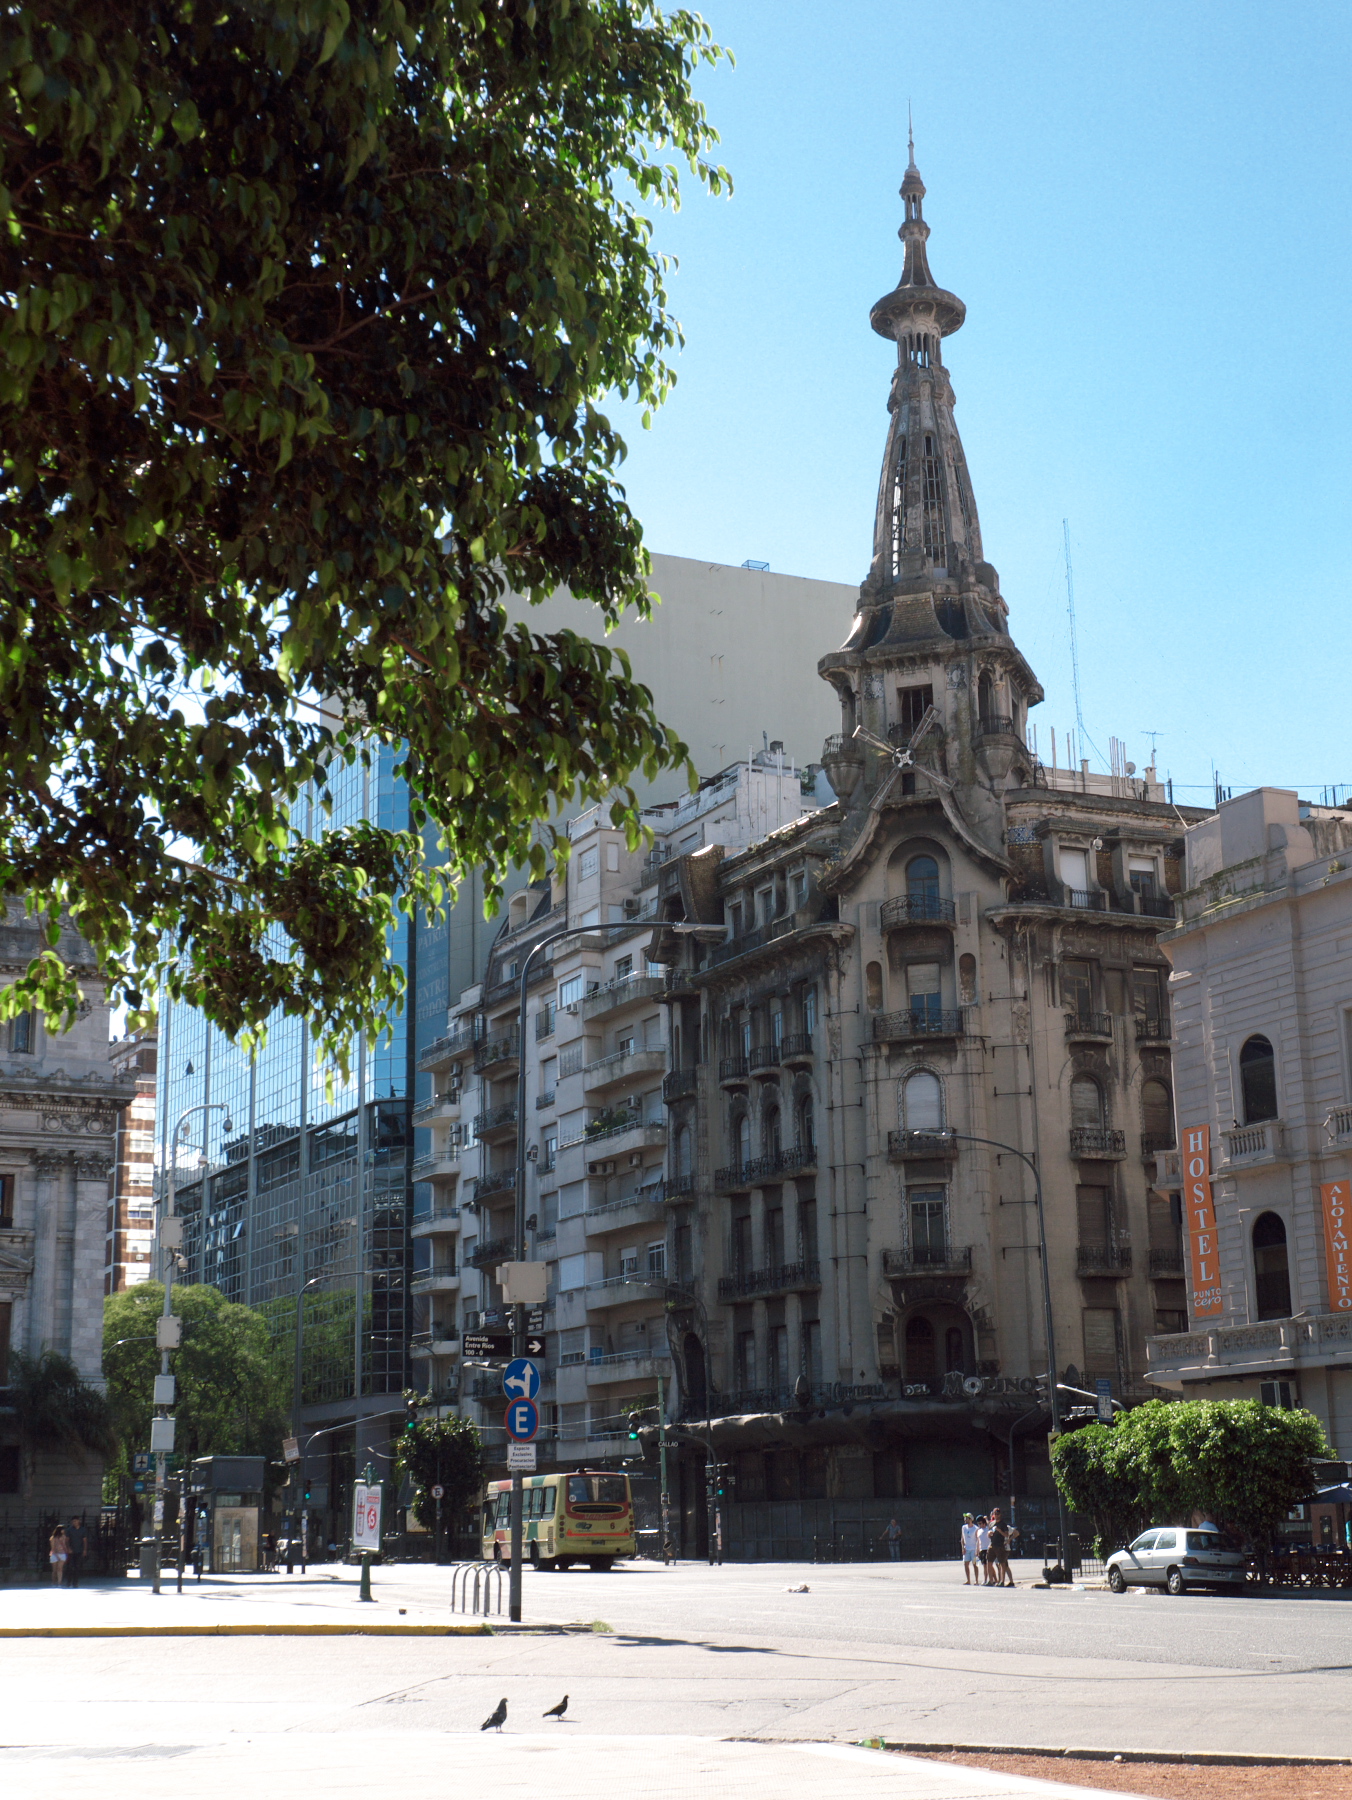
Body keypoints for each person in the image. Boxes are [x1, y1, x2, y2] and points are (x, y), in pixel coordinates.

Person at [988, 1509, 1014, 1587]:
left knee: (1002, 1563)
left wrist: (1000, 1531)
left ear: (1000, 1514)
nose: (996, 1515)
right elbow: (989, 1533)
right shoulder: (991, 1523)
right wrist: (989, 1534)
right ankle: (990, 1580)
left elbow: (1006, 1535)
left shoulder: (1003, 1524)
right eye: (995, 1514)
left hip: (1000, 1546)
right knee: (989, 1562)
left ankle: (1002, 1581)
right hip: (992, 1544)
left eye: (998, 1514)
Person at [65, 1515, 89, 1588]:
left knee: (77, 1567)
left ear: (79, 1521)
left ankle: (75, 1583)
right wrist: (68, 1548)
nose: (74, 1523)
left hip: (79, 1550)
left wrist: (84, 1550)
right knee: (70, 1567)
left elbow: (85, 1540)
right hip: (71, 1551)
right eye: (73, 1522)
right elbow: (67, 1540)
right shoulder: (69, 1530)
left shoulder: (83, 1530)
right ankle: (69, 1582)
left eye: (75, 1521)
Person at [960, 1512, 980, 1584]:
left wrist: (977, 1550)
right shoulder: (964, 1527)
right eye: (965, 1518)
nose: (965, 1520)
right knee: (966, 1564)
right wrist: (963, 1547)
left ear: (970, 1519)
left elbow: (978, 1539)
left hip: (974, 1549)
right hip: (966, 1549)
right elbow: (962, 1538)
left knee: (975, 1564)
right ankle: (968, 1580)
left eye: (966, 1518)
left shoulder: (976, 1528)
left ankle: (976, 1580)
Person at [976, 1514, 992, 1583]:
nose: (979, 1525)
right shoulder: (978, 1531)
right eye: (978, 1524)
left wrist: (986, 1520)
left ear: (984, 1523)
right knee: (984, 1565)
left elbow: (990, 1526)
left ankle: (992, 1579)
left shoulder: (987, 1529)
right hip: (982, 1549)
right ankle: (986, 1579)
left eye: (980, 1523)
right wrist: (977, 1550)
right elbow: (978, 1541)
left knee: (989, 1566)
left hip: (987, 1548)